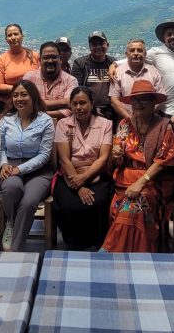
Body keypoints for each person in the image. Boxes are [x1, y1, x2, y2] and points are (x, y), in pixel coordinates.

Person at [101, 80, 174, 253]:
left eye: (144, 99)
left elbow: (162, 161)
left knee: (133, 208)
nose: (138, 103)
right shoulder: (124, 124)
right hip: (123, 180)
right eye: (135, 100)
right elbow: (118, 159)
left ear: (153, 103)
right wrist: (116, 156)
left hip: (152, 181)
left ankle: (113, 251)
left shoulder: (164, 126)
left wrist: (141, 182)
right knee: (124, 208)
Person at [52, 86, 113, 250]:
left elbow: (103, 158)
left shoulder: (105, 124)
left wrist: (83, 179)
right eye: (75, 104)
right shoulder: (63, 124)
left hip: (96, 173)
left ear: (92, 104)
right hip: (69, 174)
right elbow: (64, 159)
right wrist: (78, 186)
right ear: (70, 106)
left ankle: (98, 244)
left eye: (83, 103)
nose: (79, 108)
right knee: (69, 205)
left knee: (98, 201)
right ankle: (74, 246)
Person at [0, 80, 54, 252]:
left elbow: (44, 155)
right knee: (12, 189)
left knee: (29, 202)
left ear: (33, 96)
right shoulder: (6, 120)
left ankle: (14, 249)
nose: (19, 98)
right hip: (11, 165)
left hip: (39, 171)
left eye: (24, 94)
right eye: (15, 95)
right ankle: (11, 222)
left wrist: (20, 169)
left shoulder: (45, 121)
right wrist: (4, 164)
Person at [109, 39, 163, 121]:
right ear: (126, 54)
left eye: (140, 50)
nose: (136, 53)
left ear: (145, 54)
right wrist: (131, 119)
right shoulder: (118, 72)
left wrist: (147, 115)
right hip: (126, 120)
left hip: (151, 121)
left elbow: (160, 97)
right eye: (132, 50)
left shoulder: (153, 72)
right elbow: (114, 100)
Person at [23, 41, 78, 120]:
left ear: (60, 59)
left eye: (54, 57)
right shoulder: (29, 78)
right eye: (46, 57)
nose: (50, 61)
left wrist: (37, 112)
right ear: (39, 60)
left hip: (61, 128)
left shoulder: (71, 81)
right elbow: (27, 103)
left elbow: (69, 110)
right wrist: (64, 102)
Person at [71, 31, 116, 122]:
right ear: (89, 47)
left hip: (111, 111)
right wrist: (92, 108)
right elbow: (77, 89)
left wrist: (115, 64)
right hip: (88, 111)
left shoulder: (113, 62)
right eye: (94, 44)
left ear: (107, 45)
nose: (98, 47)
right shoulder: (80, 63)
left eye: (101, 44)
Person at [0, 24, 40, 109]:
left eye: (16, 34)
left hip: (33, 103)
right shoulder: (1, 59)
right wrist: (21, 90)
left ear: (22, 36)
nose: (13, 37)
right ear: (6, 39)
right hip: (9, 104)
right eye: (9, 35)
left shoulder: (34, 56)